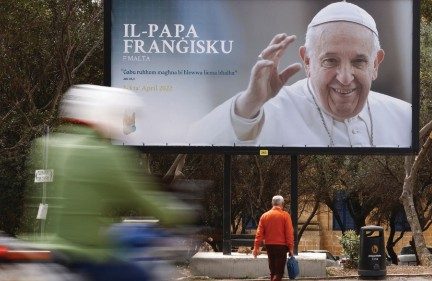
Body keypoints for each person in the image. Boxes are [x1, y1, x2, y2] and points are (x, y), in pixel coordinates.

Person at [24, 85, 193, 281]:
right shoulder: (103, 154)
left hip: (45, 249)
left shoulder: (48, 146)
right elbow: (141, 197)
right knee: (145, 275)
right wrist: (181, 215)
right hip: (84, 254)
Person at [187, 1, 412, 147]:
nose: (345, 77)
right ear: (307, 60)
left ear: (375, 63)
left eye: (359, 61)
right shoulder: (261, 111)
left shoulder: (406, 117)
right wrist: (249, 103)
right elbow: (190, 143)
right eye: (330, 61)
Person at [253, 195, 294, 281]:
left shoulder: (264, 216)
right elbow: (289, 234)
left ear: (272, 203)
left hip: (269, 246)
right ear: (282, 204)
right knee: (279, 273)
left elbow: (259, 234)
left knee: (273, 271)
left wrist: (256, 248)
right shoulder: (285, 216)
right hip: (281, 247)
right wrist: (290, 248)